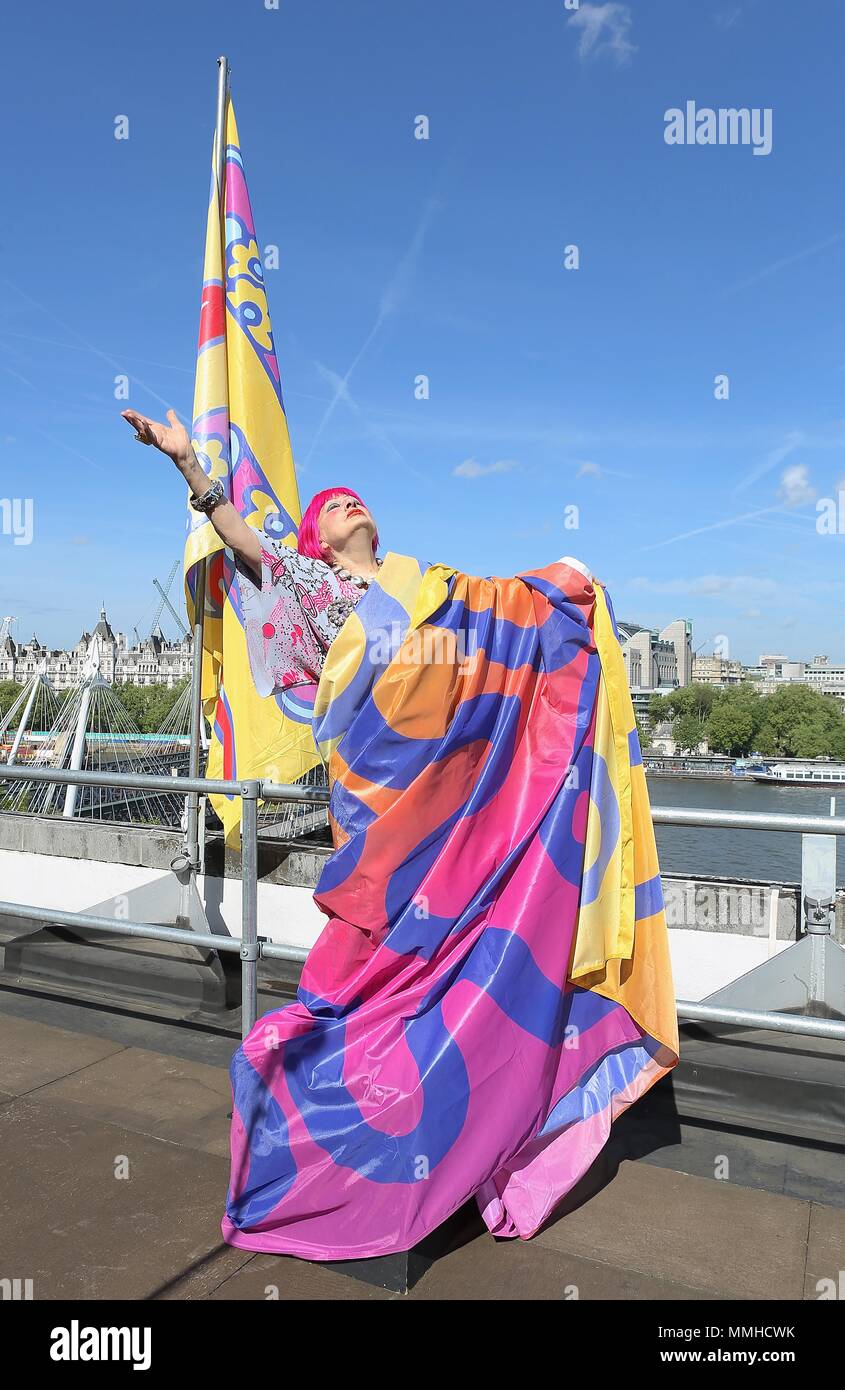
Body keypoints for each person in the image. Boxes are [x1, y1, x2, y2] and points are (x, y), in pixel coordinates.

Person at [120, 406, 384, 693]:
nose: (350, 504)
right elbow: (241, 537)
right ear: (320, 539)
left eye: (355, 501)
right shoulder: (312, 579)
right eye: (334, 506)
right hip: (365, 728)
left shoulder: (418, 576)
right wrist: (188, 464)